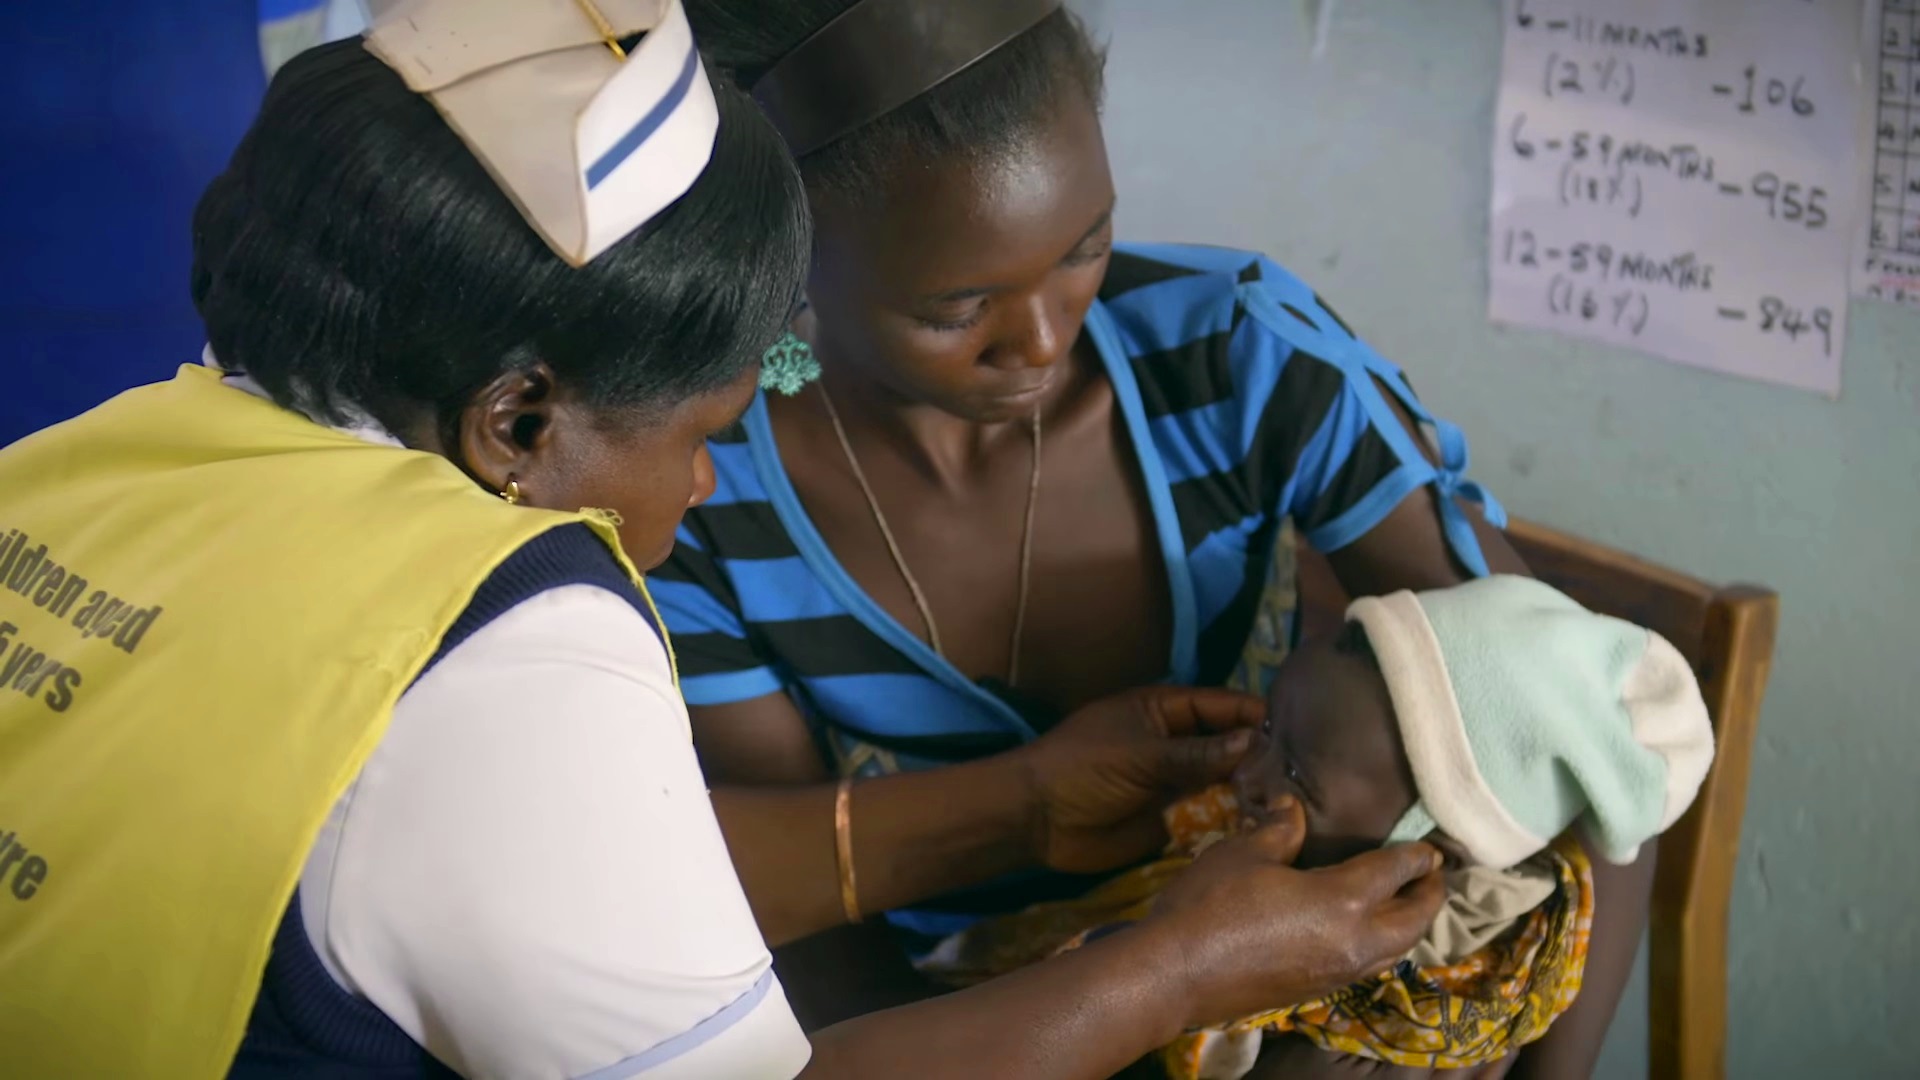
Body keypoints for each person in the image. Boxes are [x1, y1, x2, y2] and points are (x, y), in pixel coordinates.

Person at [0, 3, 1453, 1078]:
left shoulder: (68, 468)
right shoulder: (508, 654)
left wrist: (1033, 821)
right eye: (701, 432)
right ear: (516, 420)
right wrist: (1184, 967)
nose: (703, 489)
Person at [658, 0, 1658, 1072]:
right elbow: (803, 924)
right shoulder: (699, 485)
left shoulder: (1238, 354)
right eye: (957, 311)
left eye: (1086, 245)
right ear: (790, 257)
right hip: (958, 1008)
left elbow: (1590, 748)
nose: (1046, 339)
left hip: (1279, 979)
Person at [920, 576, 1715, 1078]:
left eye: (1295, 774)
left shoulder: (1425, 998)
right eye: (1269, 731)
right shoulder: (1237, 863)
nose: (1248, 777)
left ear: (1428, 855)